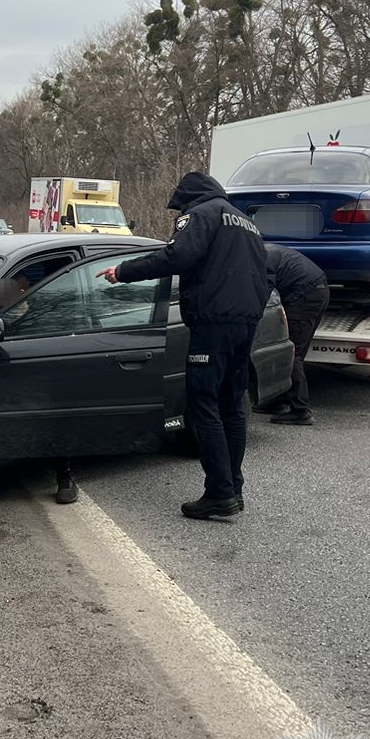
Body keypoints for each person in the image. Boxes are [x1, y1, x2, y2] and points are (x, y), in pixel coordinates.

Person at [97, 172, 268, 520]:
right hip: (245, 322)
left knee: (203, 404)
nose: (179, 213)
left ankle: (219, 493)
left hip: (212, 323)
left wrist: (123, 272)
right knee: (232, 406)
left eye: (180, 207)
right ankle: (233, 488)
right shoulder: (246, 223)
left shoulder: (201, 214)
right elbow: (266, 271)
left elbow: (177, 256)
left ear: (189, 198)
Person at [0, 271, 80, 504]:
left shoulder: (46, 311)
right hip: (7, 375)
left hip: (41, 374)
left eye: (18, 289)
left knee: (54, 415)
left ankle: (65, 476)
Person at [260, 243, 329, 426]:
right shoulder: (266, 250)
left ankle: (300, 410)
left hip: (305, 294)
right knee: (295, 351)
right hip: (317, 288)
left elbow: (262, 294)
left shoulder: (260, 259)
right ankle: (280, 400)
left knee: (290, 352)